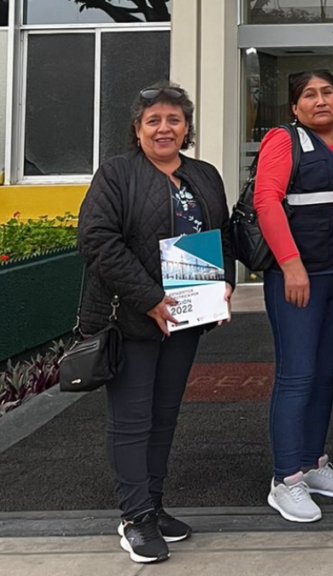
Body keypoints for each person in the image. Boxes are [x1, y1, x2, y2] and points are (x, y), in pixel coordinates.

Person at [77, 83, 234, 563]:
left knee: (164, 415)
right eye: (153, 121)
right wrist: (150, 299)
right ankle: (135, 518)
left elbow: (219, 235)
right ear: (138, 129)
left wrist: (222, 283)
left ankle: (154, 505)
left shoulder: (204, 175)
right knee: (131, 420)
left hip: (187, 318)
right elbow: (97, 239)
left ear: (186, 127)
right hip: (131, 319)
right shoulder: (117, 175)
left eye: (173, 120)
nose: (164, 128)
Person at [254, 69, 333, 523]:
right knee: (297, 375)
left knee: (326, 373)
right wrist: (290, 264)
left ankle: (312, 461)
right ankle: (286, 479)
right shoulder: (284, 141)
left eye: (327, 92)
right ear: (295, 107)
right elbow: (267, 201)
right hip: (298, 278)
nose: (320, 100)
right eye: (309, 94)